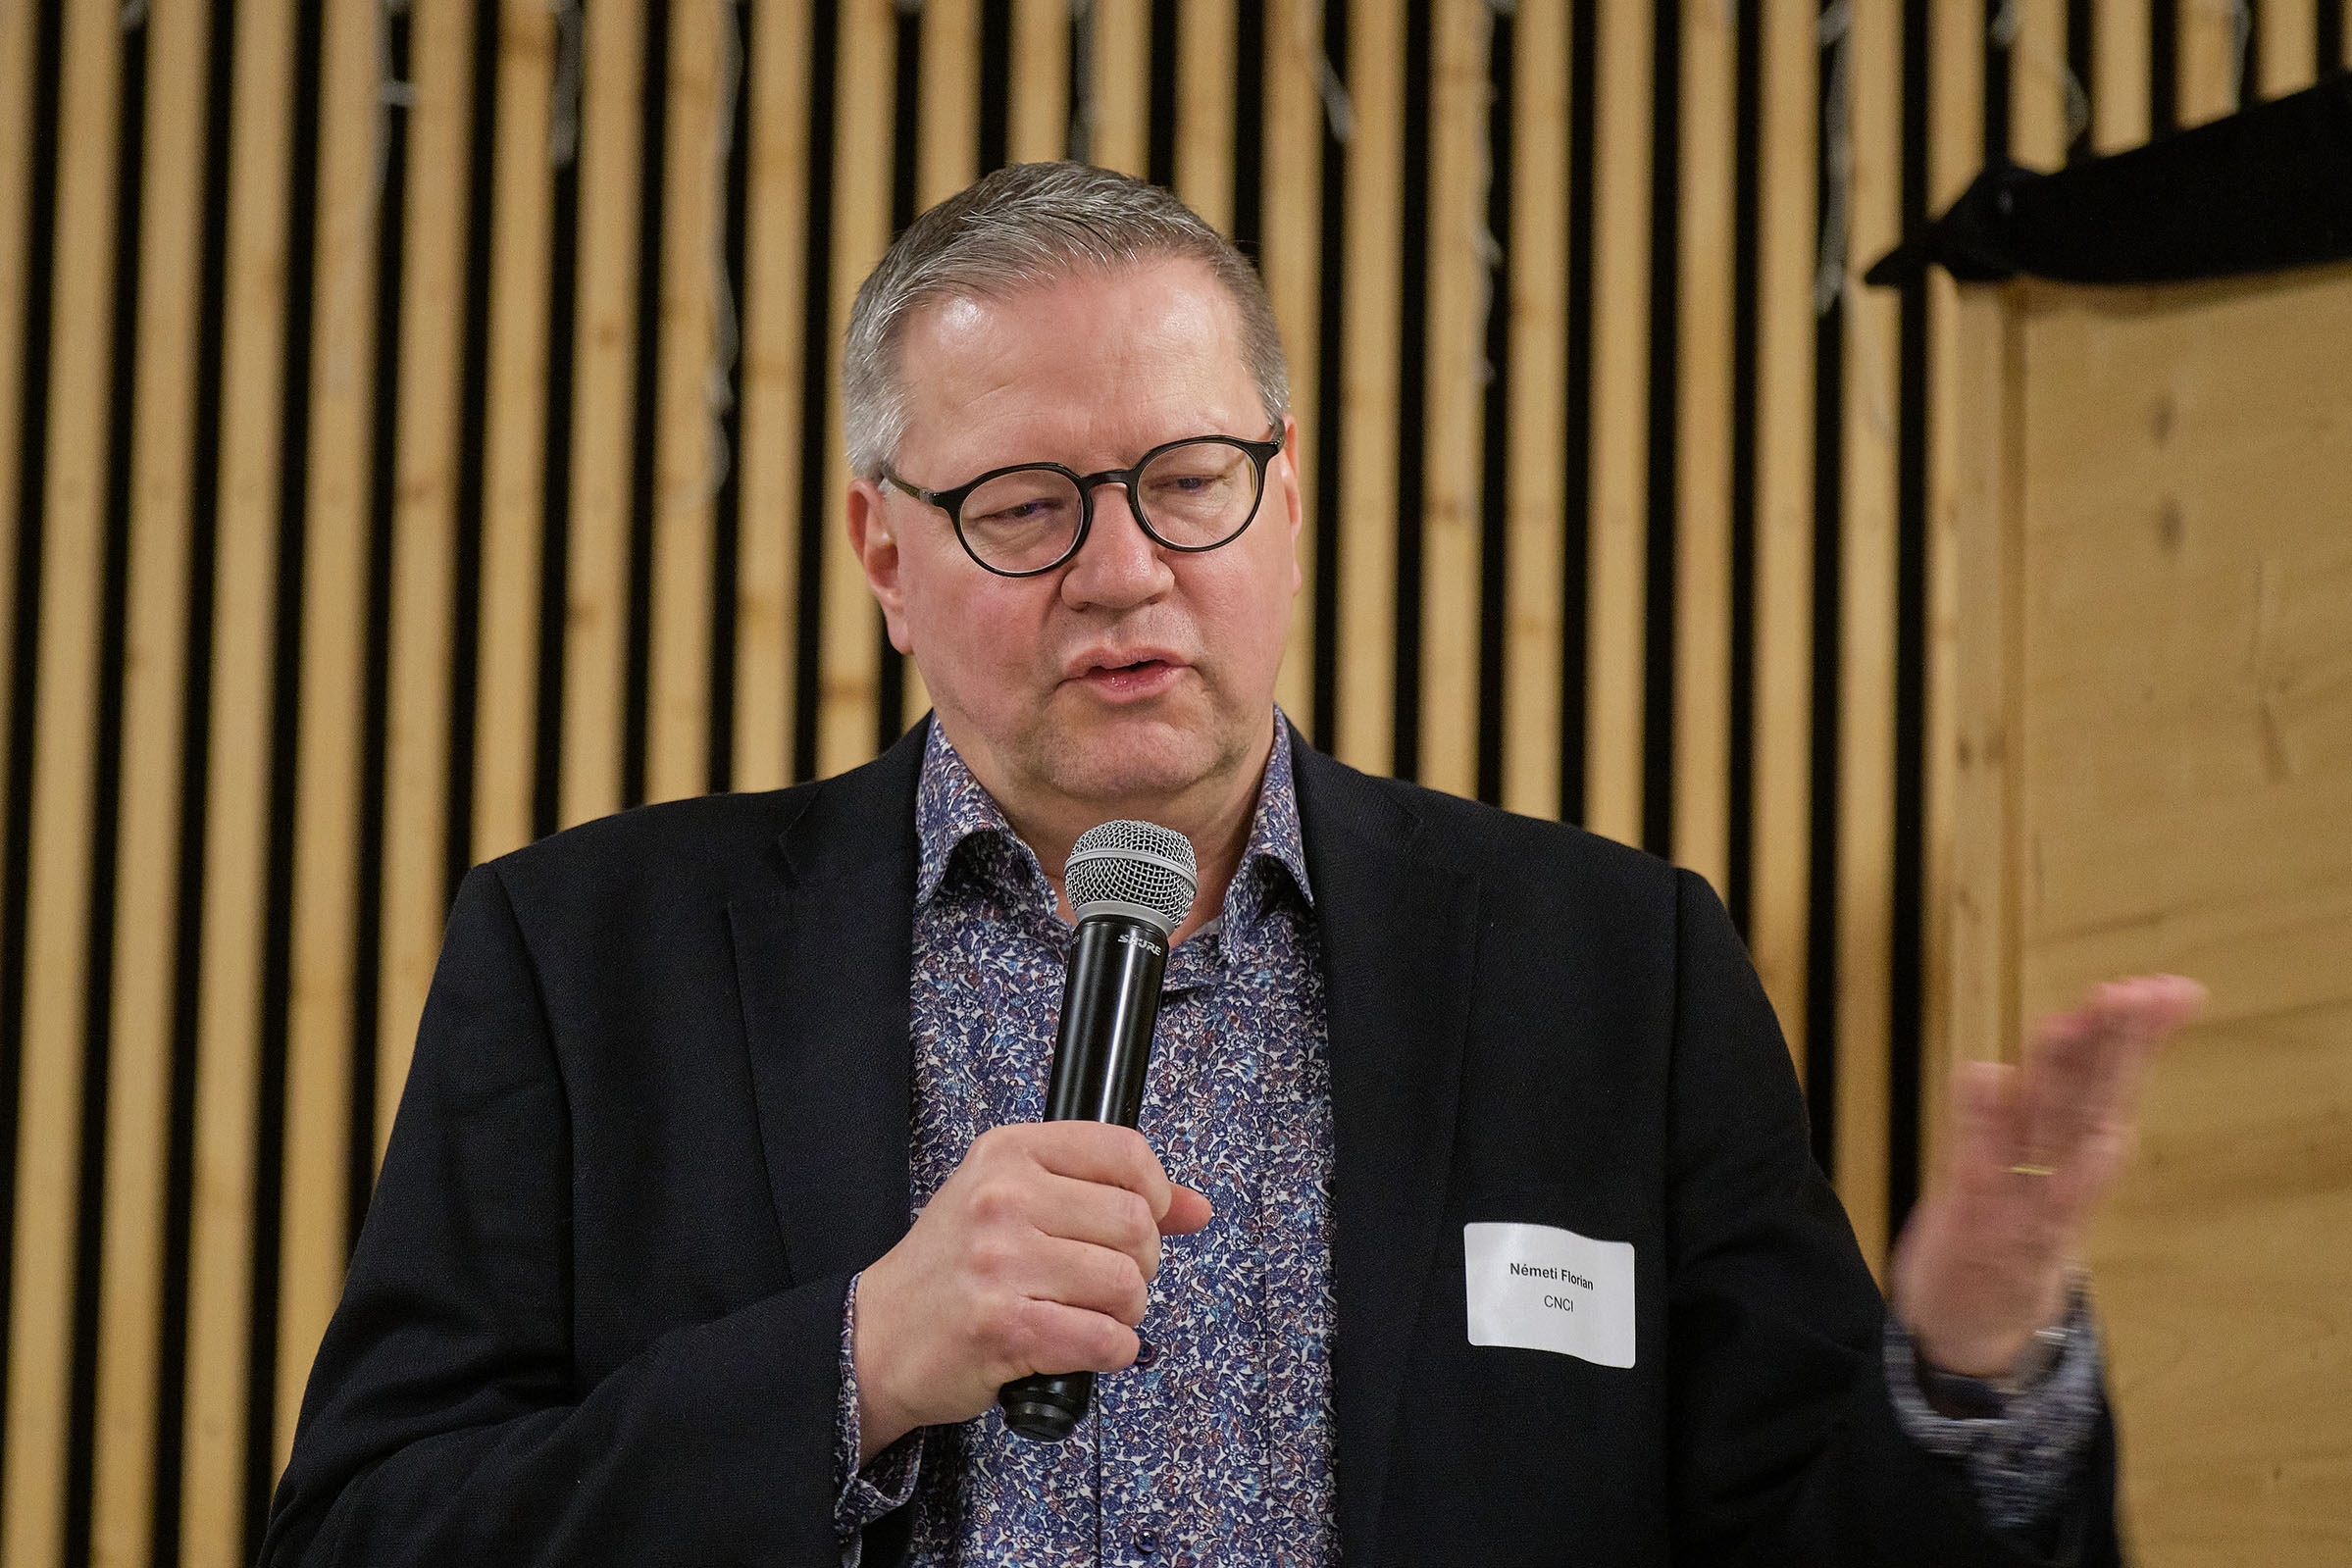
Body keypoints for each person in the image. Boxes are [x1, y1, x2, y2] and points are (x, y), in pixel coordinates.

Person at [260, 162, 2202, 1567]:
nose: (1124, 570)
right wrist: (850, 1365)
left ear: (1285, 494)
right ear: (883, 554)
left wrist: (1959, 1375)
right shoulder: (592, 956)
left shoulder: (1610, 966)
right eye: (1026, 505)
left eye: (1188, 482)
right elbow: (365, 1530)